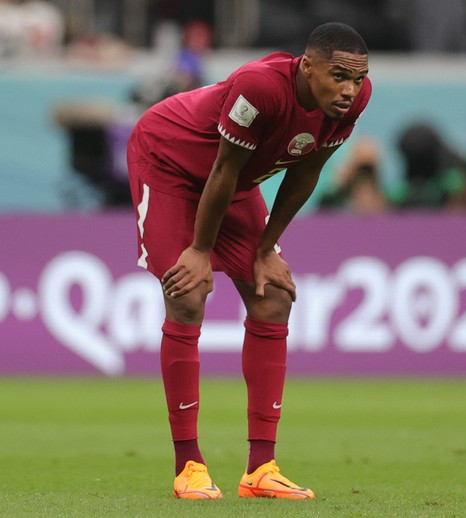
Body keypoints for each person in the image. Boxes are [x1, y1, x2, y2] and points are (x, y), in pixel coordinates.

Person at [125, 22, 371, 500]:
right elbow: (223, 168)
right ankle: (189, 466)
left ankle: (261, 469)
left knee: (273, 295)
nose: (348, 90)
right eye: (338, 76)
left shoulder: (351, 103)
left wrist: (265, 250)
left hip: (230, 183)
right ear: (307, 66)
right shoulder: (260, 88)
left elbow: (307, 172)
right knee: (189, 293)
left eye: (357, 79)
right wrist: (199, 251)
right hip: (170, 162)